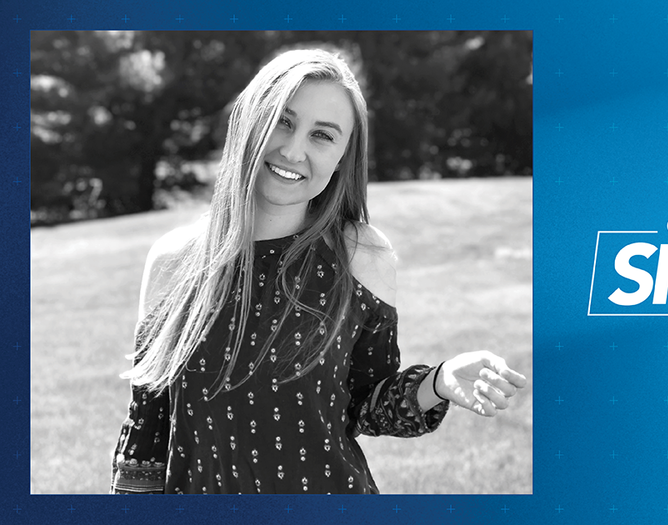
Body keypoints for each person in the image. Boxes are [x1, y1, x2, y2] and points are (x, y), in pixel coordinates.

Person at [110, 48, 527, 494]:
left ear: (344, 157)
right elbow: (146, 440)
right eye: (283, 121)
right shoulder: (173, 261)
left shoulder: (359, 255)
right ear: (251, 119)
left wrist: (437, 382)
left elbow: (367, 404)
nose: (293, 150)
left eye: (322, 136)